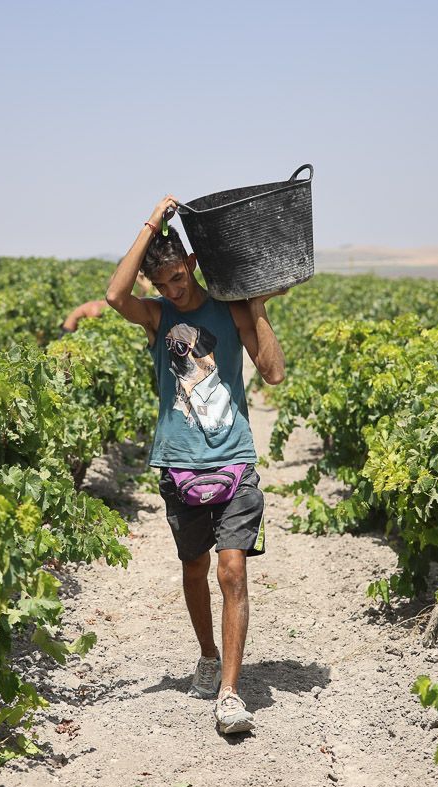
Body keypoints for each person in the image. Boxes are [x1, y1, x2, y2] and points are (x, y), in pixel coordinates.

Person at [105, 194, 287, 735]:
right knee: (194, 567)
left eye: (178, 279)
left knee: (232, 570)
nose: (173, 292)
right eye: (161, 285)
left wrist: (257, 307)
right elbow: (115, 295)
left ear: (192, 264)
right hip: (179, 463)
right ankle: (208, 654)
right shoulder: (157, 317)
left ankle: (230, 691)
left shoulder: (230, 310)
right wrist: (151, 223)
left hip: (233, 459)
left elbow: (274, 373)